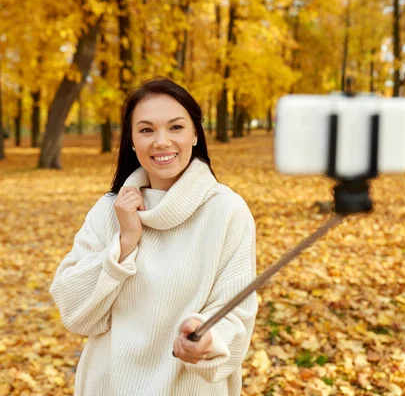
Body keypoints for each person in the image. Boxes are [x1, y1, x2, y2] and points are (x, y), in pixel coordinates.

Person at [49, 78, 258, 396]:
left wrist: (208, 343)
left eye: (175, 127)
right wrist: (125, 243)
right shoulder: (109, 210)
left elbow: (237, 315)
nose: (161, 141)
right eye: (146, 130)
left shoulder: (227, 211)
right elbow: (74, 312)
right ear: (132, 140)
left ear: (195, 134)